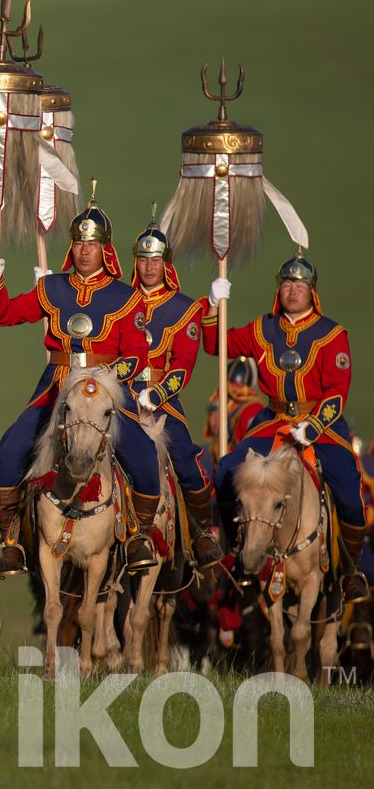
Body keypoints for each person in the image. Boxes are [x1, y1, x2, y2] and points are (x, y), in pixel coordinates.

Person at [0, 190, 154, 578]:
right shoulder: (52, 288)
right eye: (78, 243)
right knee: (9, 450)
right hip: (56, 385)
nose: (83, 251)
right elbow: (6, 315)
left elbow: (136, 357)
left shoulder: (127, 298)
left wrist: (105, 382)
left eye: (91, 244)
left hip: (105, 389)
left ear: (104, 250)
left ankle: (139, 536)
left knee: (143, 455)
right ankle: (11, 542)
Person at [207, 251, 368, 604]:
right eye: (286, 283)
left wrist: (312, 427)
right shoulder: (262, 328)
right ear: (278, 289)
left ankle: (351, 570)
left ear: (313, 291)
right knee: (226, 473)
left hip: (321, 425)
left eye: (300, 284)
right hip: (274, 421)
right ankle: (235, 553)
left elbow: (337, 392)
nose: (292, 290)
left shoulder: (331, 334)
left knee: (349, 492)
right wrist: (213, 305)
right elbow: (215, 345)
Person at [127, 214, 222, 570]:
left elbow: (183, 365)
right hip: (120, 393)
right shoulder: (119, 300)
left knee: (186, 459)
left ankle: (200, 533)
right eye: (143, 259)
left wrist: (157, 393)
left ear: (166, 265)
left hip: (160, 398)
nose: (149, 267)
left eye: (156, 260)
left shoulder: (185, 309)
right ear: (134, 261)